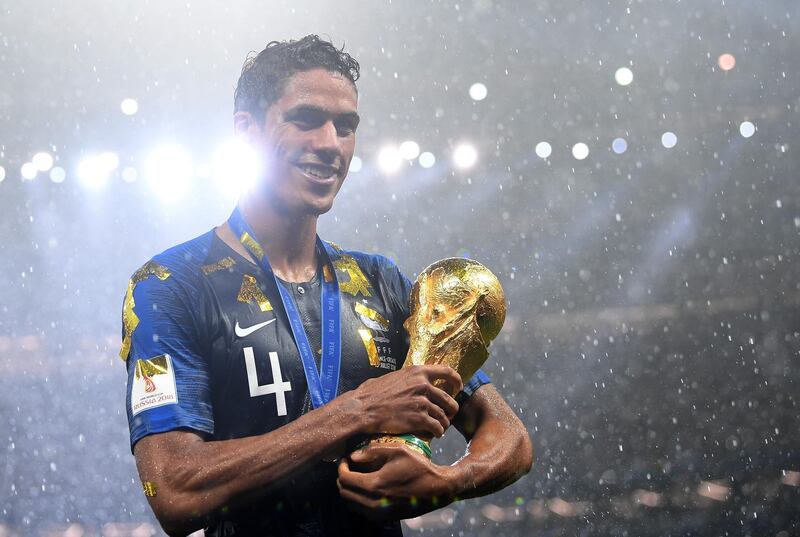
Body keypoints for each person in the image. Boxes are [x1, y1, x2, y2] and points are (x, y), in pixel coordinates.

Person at [120, 35, 532, 537]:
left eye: (345, 126)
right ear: (246, 132)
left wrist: (447, 481)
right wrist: (356, 412)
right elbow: (173, 490)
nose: (330, 143)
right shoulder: (170, 285)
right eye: (306, 118)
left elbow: (509, 436)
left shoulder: (382, 282)